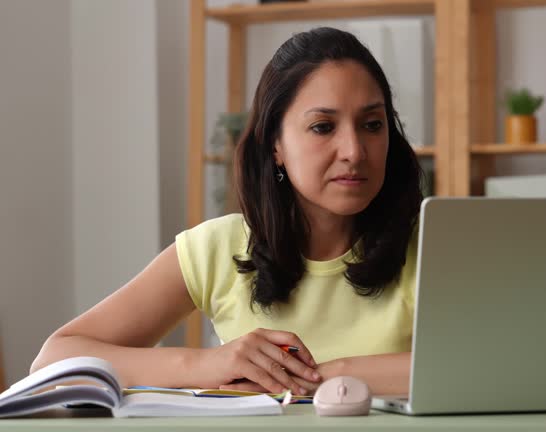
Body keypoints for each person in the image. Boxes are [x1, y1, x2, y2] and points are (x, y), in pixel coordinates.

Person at [31, 27, 424, 397]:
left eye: (372, 124)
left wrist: (325, 375)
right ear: (276, 146)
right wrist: (208, 364)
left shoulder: (435, 246)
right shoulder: (219, 247)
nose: (355, 151)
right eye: (323, 127)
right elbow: (53, 362)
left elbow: (483, 365)